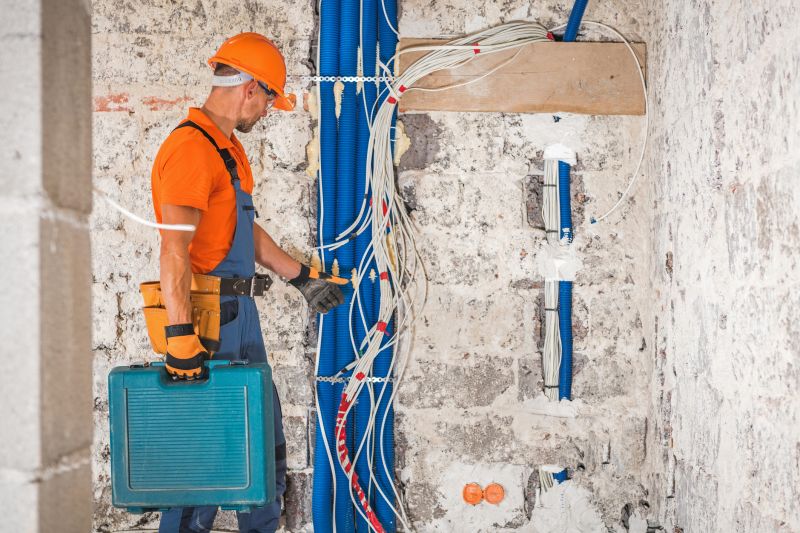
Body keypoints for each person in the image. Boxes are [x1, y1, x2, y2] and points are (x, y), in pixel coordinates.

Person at [152, 32, 346, 533]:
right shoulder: (190, 149)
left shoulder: (226, 149)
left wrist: (300, 276)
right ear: (250, 89)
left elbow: (242, 228)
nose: (266, 112)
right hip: (207, 320)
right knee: (206, 460)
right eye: (268, 101)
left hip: (240, 315)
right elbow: (173, 249)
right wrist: (180, 337)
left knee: (259, 444)